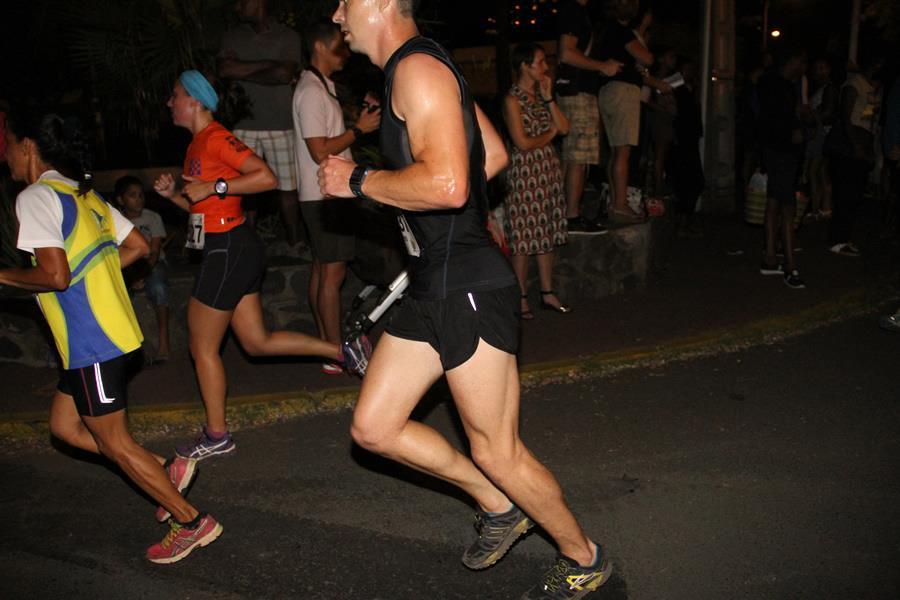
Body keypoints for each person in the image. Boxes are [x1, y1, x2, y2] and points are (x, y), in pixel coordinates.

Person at [321, 2, 612, 598]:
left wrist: (357, 180)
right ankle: (497, 504)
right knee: (374, 427)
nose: (337, 13)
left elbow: (451, 185)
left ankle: (583, 556)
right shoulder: (424, 68)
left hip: (469, 286)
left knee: (497, 451)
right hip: (433, 281)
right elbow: (494, 155)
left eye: (346, 1)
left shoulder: (417, 71)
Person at [0, 107, 222, 563]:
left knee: (113, 443)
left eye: (7, 146)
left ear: (27, 146)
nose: (5, 156)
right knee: (64, 428)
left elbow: (54, 275)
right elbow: (137, 246)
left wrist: (3, 276)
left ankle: (191, 522)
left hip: (90, 340)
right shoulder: (81, 193)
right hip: (113, 332)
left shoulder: (36, 196)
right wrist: (93, 275)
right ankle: (167, 469)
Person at [154, 70, 370, 460]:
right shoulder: (197, 144)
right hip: (230, 245)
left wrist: (216, 186)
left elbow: (266, 177)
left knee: (201, 346)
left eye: (175, 95)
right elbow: (201, 206)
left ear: (195, 100)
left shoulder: (215, 138)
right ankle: (342, 350)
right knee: (257, 342)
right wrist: (174, 196)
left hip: (227, 248)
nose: (170, 103)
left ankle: (216, 434)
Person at [293, 18, 382, 375]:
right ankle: (335, 353)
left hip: (325, 193)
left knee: (324, 271)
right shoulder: (310, 91)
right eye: (338, 45)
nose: (344, 51)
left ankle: (326, 346)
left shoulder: (321, 87)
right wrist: (359, 130)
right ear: (319, 47)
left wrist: (359, 118)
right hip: (324, 195)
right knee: (333, 275)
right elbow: (319, 150)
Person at [218, 0, 304, 249]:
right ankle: (247, 243)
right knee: (244, 189)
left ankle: (294, 242)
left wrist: (243, 68)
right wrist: (270, 65)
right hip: (242, 124)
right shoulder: (232, 36)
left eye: (241, 3)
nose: (237, 7)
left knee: (288, 189)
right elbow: (225, 69)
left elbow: (285, 74)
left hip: (281, 123)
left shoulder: (288, 36)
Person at [502, 43, 572, 320]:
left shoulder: (542, 96)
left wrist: (549, 98)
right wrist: (550, 134)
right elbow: (522, 142)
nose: (545, 67)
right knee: (523, 238)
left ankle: (547, 292)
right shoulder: (512, 100)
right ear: (525, 65)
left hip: (548, 172)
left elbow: (565, 127)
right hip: (525, 175)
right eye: (540, 62)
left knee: (546, 235)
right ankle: (520, 296)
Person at [593, 0, 664, 224]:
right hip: (622, 91)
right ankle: (620, 205)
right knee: (623, 151)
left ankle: (615, 202)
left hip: (608, 91)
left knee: (615, 151)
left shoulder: (605, 31)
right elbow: (648, 58)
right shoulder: (620, 31)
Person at [555, 0, 622, 235]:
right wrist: (602, 66)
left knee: (571, 156)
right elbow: (566, 53)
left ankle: (561, 213)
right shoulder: (573, 10)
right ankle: (572, 216)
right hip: (578, 92)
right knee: (579, 157)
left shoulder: (577, 11)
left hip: (574, 91)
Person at [757, 47, 807, 289]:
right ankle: (790, 265)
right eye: (801, 61)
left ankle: (770, 256)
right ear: (792, 60)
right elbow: (777, 116)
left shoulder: (782, 84)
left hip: (776, 150)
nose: (803, 67)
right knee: (788, 208)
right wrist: (795, 128)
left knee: (774, 202)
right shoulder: (774, 83)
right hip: (781, 151)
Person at [827, 55, 884, 258]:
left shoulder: (871, 88)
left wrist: (868, 147)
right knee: (845, 194)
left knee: (854, 195)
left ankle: (843, 238)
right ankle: (837, 240)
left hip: (861, 144)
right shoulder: (854, 85)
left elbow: (866, 119)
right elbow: (846, 118)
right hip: (848, 148)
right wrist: (855, 145)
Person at [114, 175, 171, 363]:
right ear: (121, 199)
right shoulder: (114, 220)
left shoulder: (152, 217)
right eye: (132, 195)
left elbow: (154, 251)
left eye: (141, 195)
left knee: (159, 287)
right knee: (118, 293)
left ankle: (164, 342)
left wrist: (142, 275)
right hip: (127, 265)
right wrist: (132, 277)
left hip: (152, 263)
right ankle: (131, 346)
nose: (138, 199)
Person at [805, 57, 837, 221]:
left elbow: (828, 113)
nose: (820, 72)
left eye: (823, 67)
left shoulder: (829, 88)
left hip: (823, 134)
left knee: (813, 171)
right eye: (817, 68)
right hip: (823, 133)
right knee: (822, 171)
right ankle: (826, 207)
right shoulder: (822, 88)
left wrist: (812, 116)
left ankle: (816, 209)